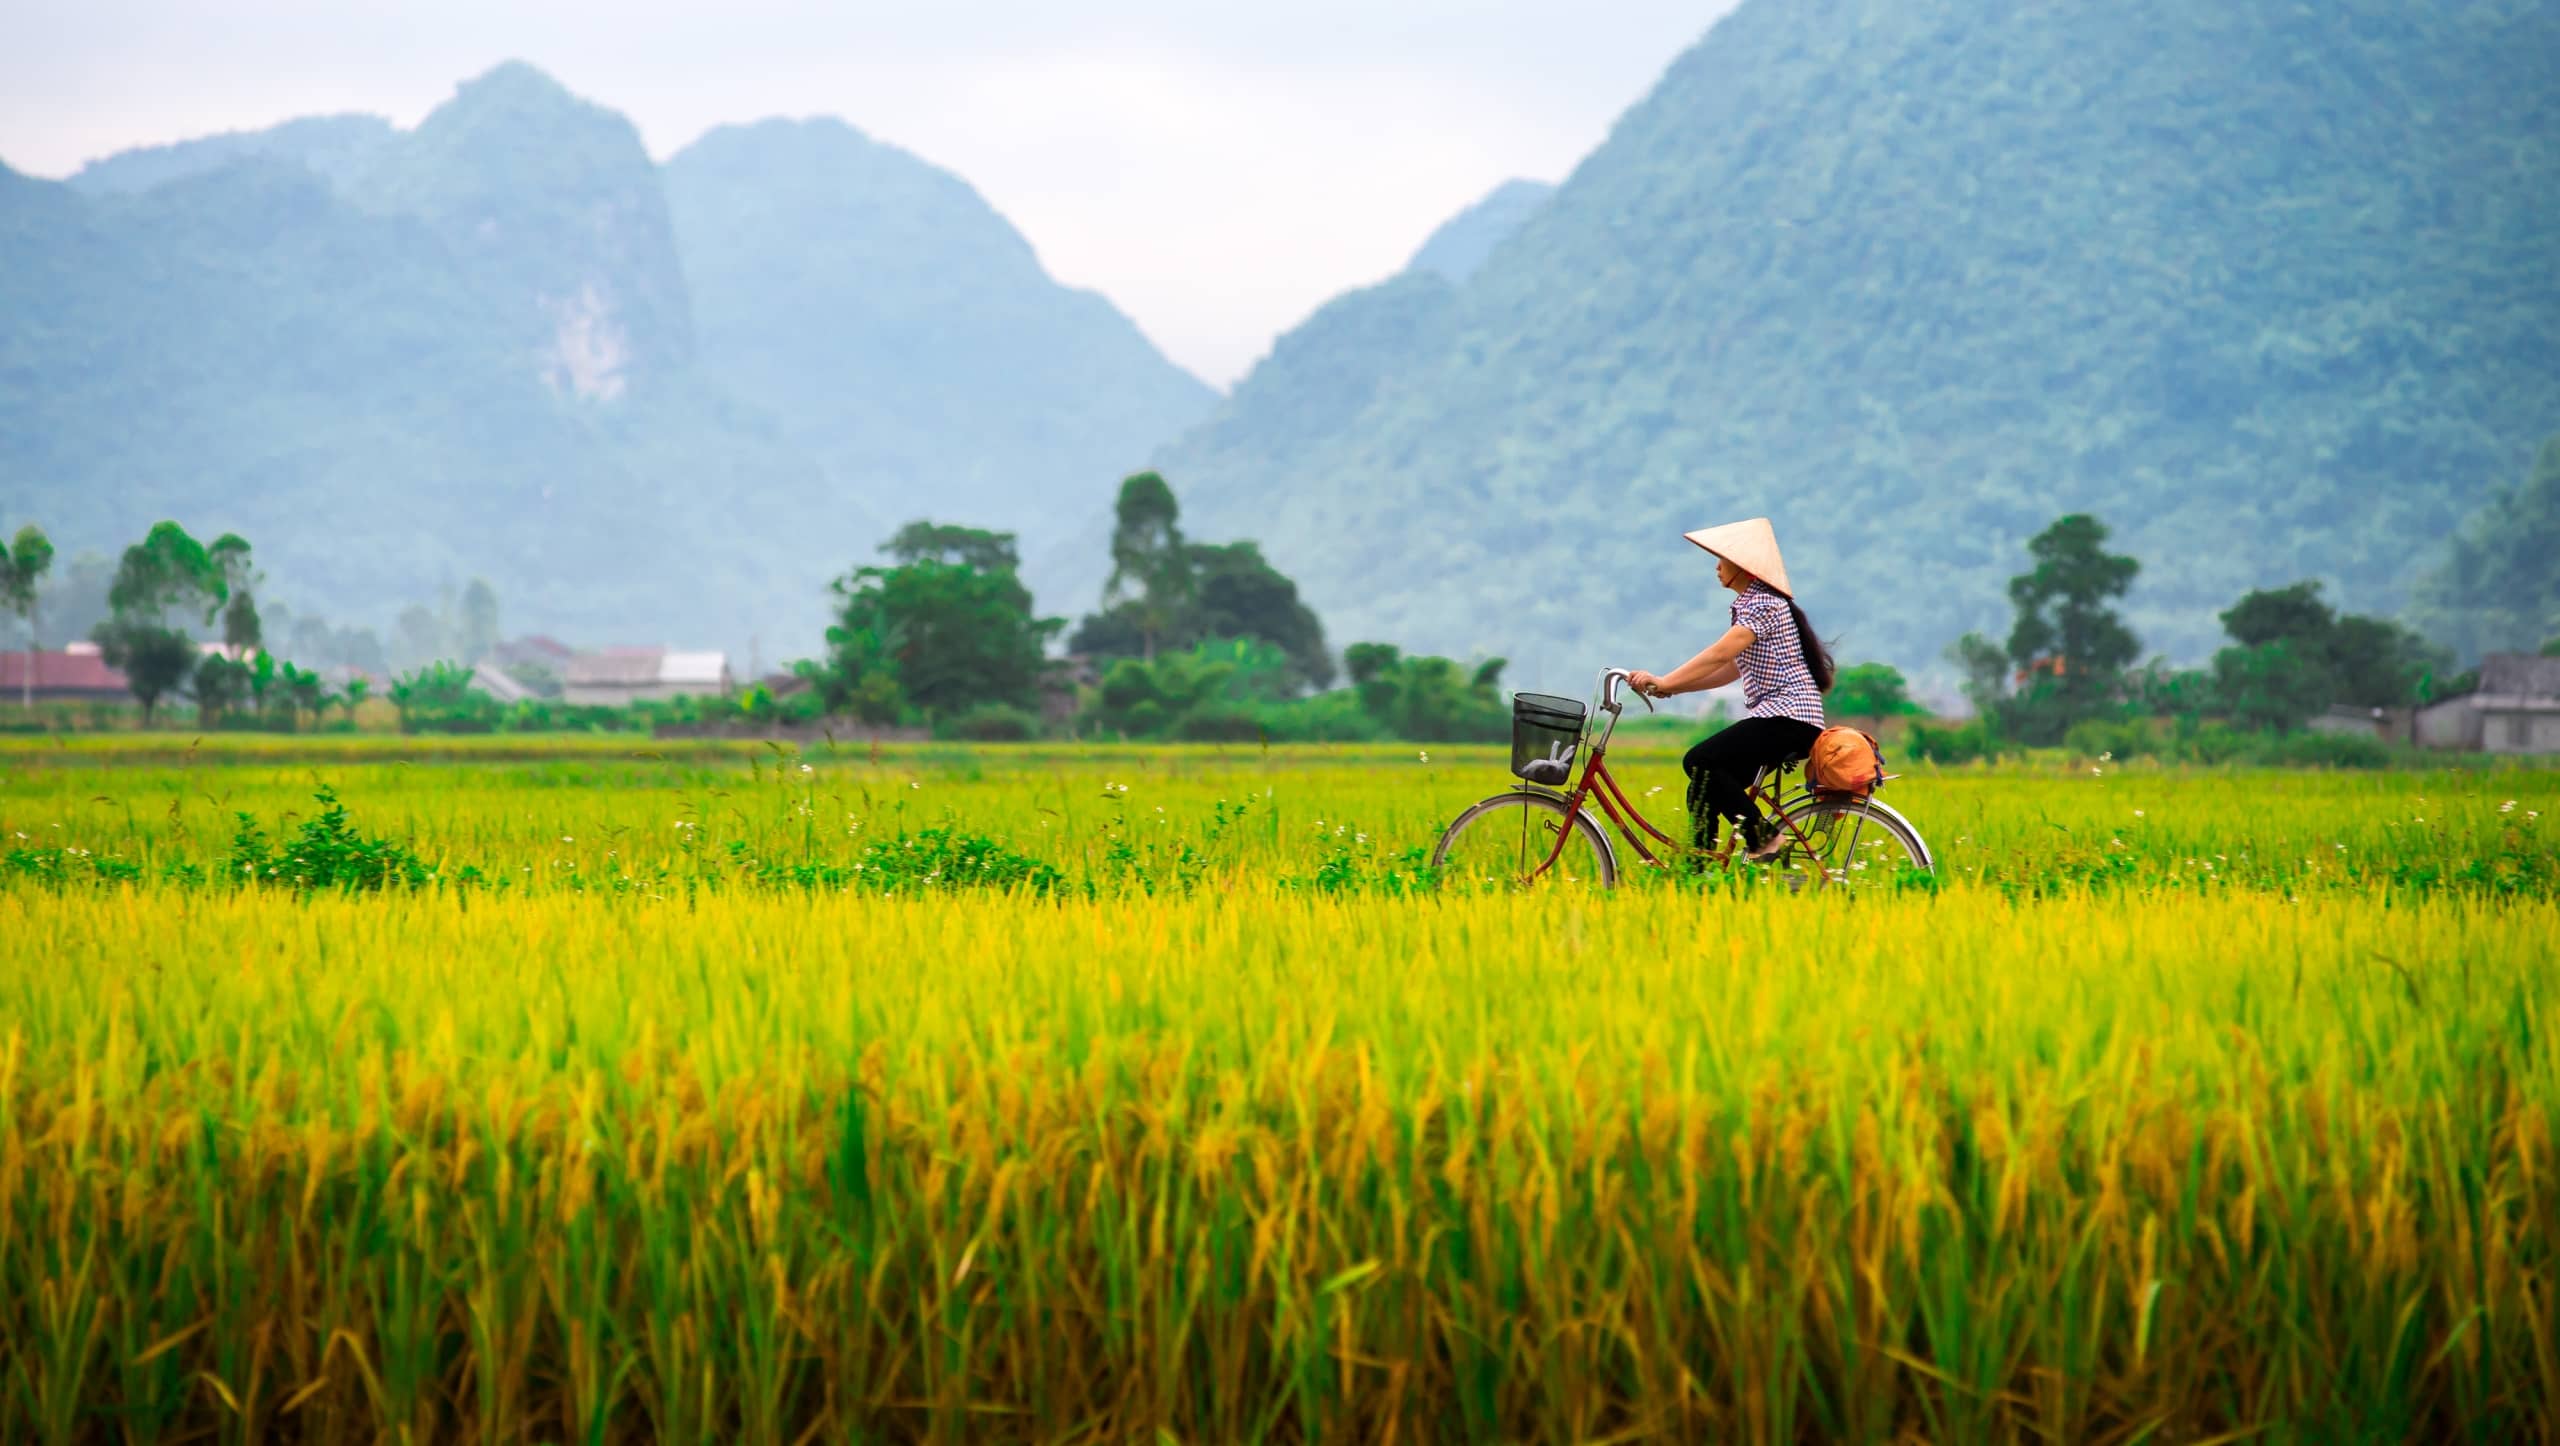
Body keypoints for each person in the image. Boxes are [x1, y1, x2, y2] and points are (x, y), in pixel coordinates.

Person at [1627, 518, 1834, 860]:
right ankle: (1698, 872)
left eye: (1722, 560)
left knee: (1699, 760)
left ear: (1744, 567)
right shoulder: (1757, 605)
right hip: (1784, 721)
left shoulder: (1763, 604)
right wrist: (1673, 688)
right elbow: (1728, 669)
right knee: (1702, 787)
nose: (1717, 567)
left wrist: (1664, 680)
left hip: (1788, 720)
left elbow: (1719, 653)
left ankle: (1764, 839)